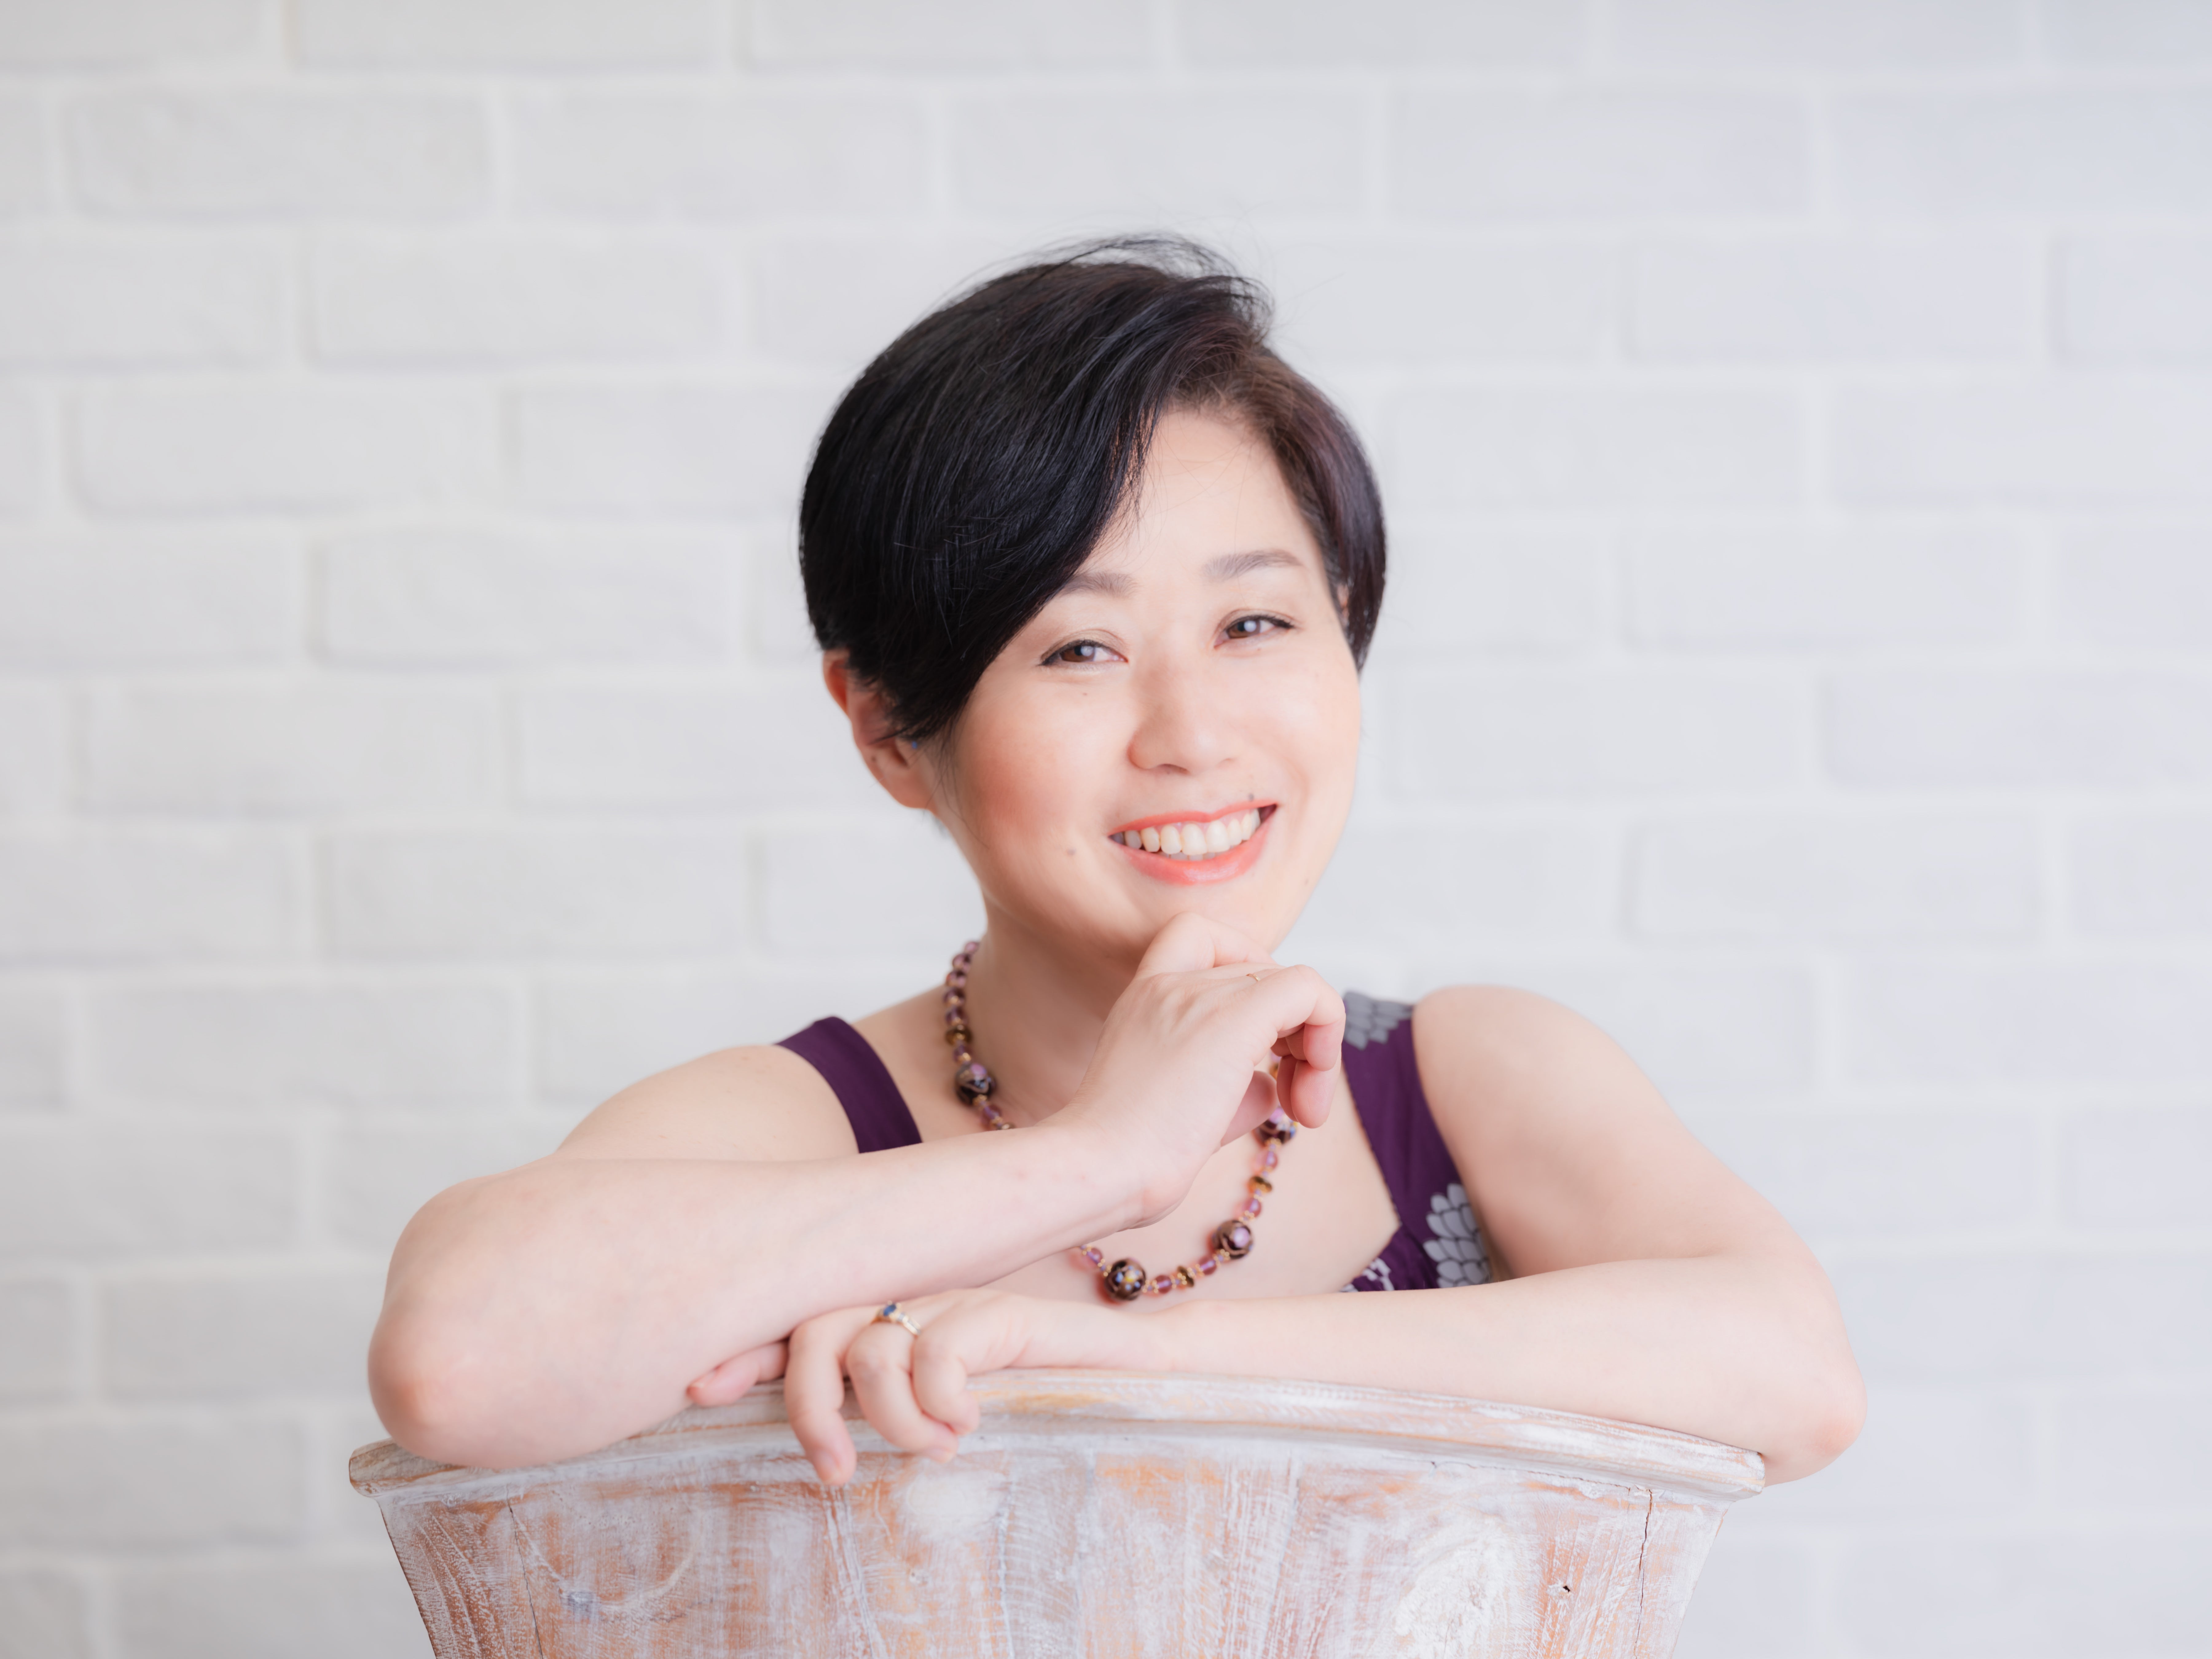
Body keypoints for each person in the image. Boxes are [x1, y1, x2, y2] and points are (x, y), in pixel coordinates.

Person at [367, 240, 1865, 1488]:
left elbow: (1795, 1373)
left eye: (1256, 623)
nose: (1193, 736)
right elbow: (458, 1360)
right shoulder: (804, 1122)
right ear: (888, 729)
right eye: (1079, 648)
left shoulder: (1469, 1078)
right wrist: (1099, 1160)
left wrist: (1140, 1361)